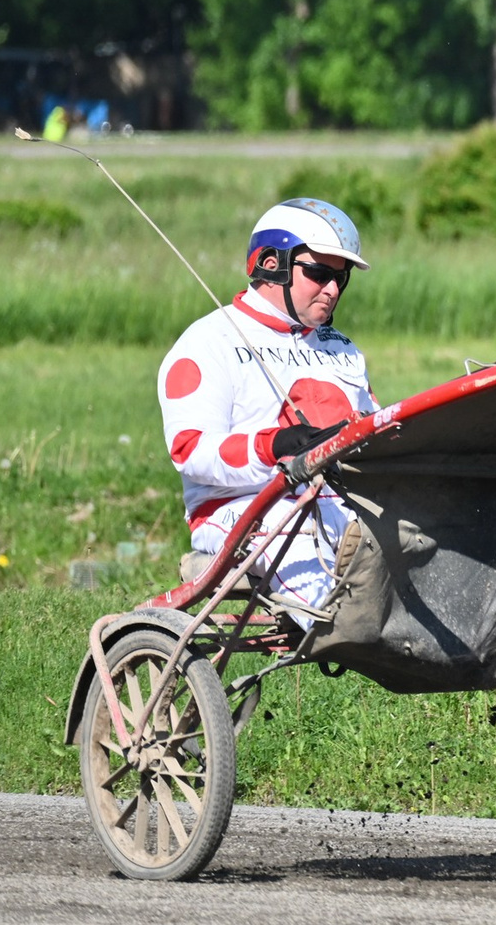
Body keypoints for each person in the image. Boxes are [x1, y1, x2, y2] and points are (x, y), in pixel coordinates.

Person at [157, 198, 375, 618]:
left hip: (333, 499)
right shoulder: (208, 342)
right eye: (318, 273)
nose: (332, 289)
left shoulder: (343, 349)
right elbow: (190, 451)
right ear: (271, 264)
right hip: (239, 508)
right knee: (297, 529)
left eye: (340, 278)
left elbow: (371, 428)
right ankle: (340, 624)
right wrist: (274, 446)